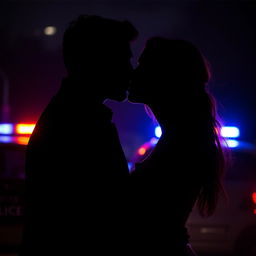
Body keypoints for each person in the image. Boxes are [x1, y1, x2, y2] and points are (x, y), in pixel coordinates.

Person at [20, 15, 138, 255]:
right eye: (122, 60)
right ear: (95, 62)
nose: (130, 71)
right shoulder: (80, 124)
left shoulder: (72, 116)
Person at [128, 37, 228, 255]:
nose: (132, 73)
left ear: (165, 77)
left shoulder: (181, 142)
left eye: (142, 66)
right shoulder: (185, 136)